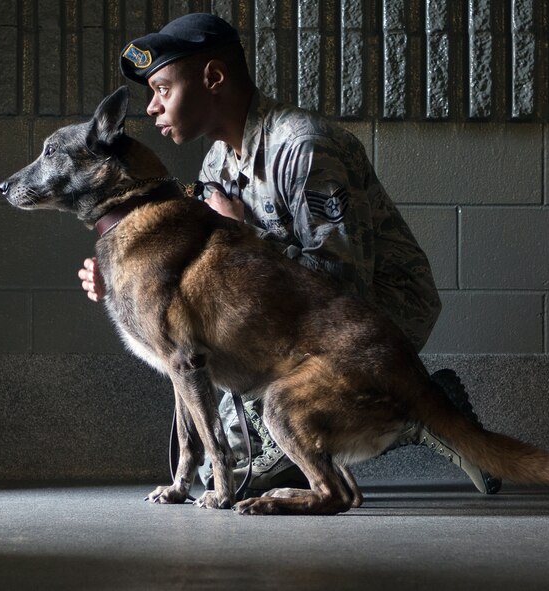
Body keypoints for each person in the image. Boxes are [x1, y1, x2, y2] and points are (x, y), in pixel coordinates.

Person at [78, 13, 500, 495]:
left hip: (374, 320)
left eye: (163, 89)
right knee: (214, 468)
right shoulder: (218, 160)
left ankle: (421, 409)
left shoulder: (302, 145)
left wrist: (243, 232)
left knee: (272, 436)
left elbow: (346, 283)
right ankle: (375, 410)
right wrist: (128, 278)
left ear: (213, 78)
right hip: (294, 323)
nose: (152, 107)